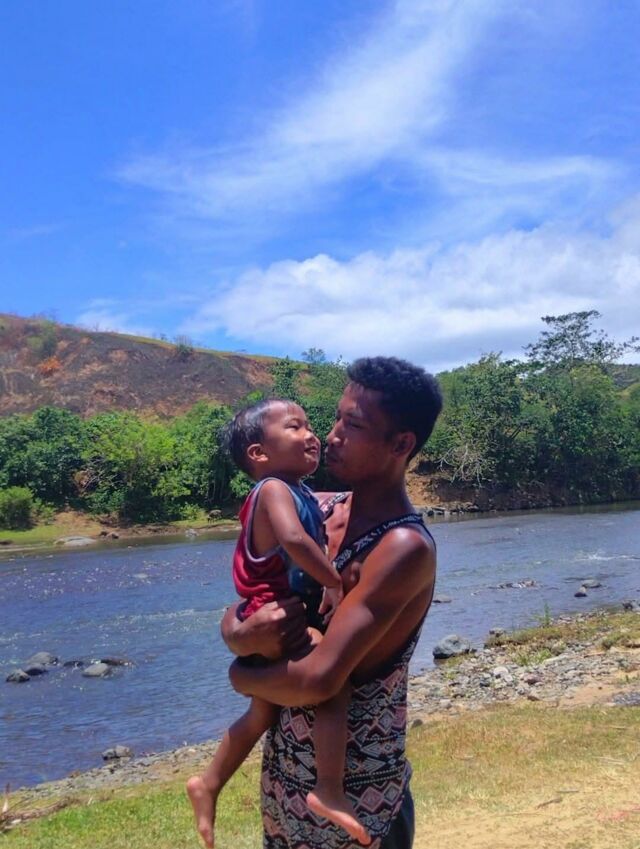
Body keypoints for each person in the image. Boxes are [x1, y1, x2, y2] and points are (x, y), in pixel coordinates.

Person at [222, 356, 442, 849]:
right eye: (338, 418)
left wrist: (240, 675)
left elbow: (320, 678)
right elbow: (250, 595)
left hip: (361, 804)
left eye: (353, 425)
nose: (333, 435)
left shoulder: (402, 548)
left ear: (401, 445)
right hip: (285, 786)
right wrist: (237, 631)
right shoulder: (315, 509)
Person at [187, 398, 370, 849]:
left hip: (274, 613)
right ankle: (328, 788)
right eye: (294, 427)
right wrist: (333, 582)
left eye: (309, 425)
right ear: (259, 453)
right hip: (276, 615)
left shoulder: (300, 492)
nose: (312, 435)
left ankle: (208, 782)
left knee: (261, 712)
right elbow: (292, 539)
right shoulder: (272, 490)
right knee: (332, 683)